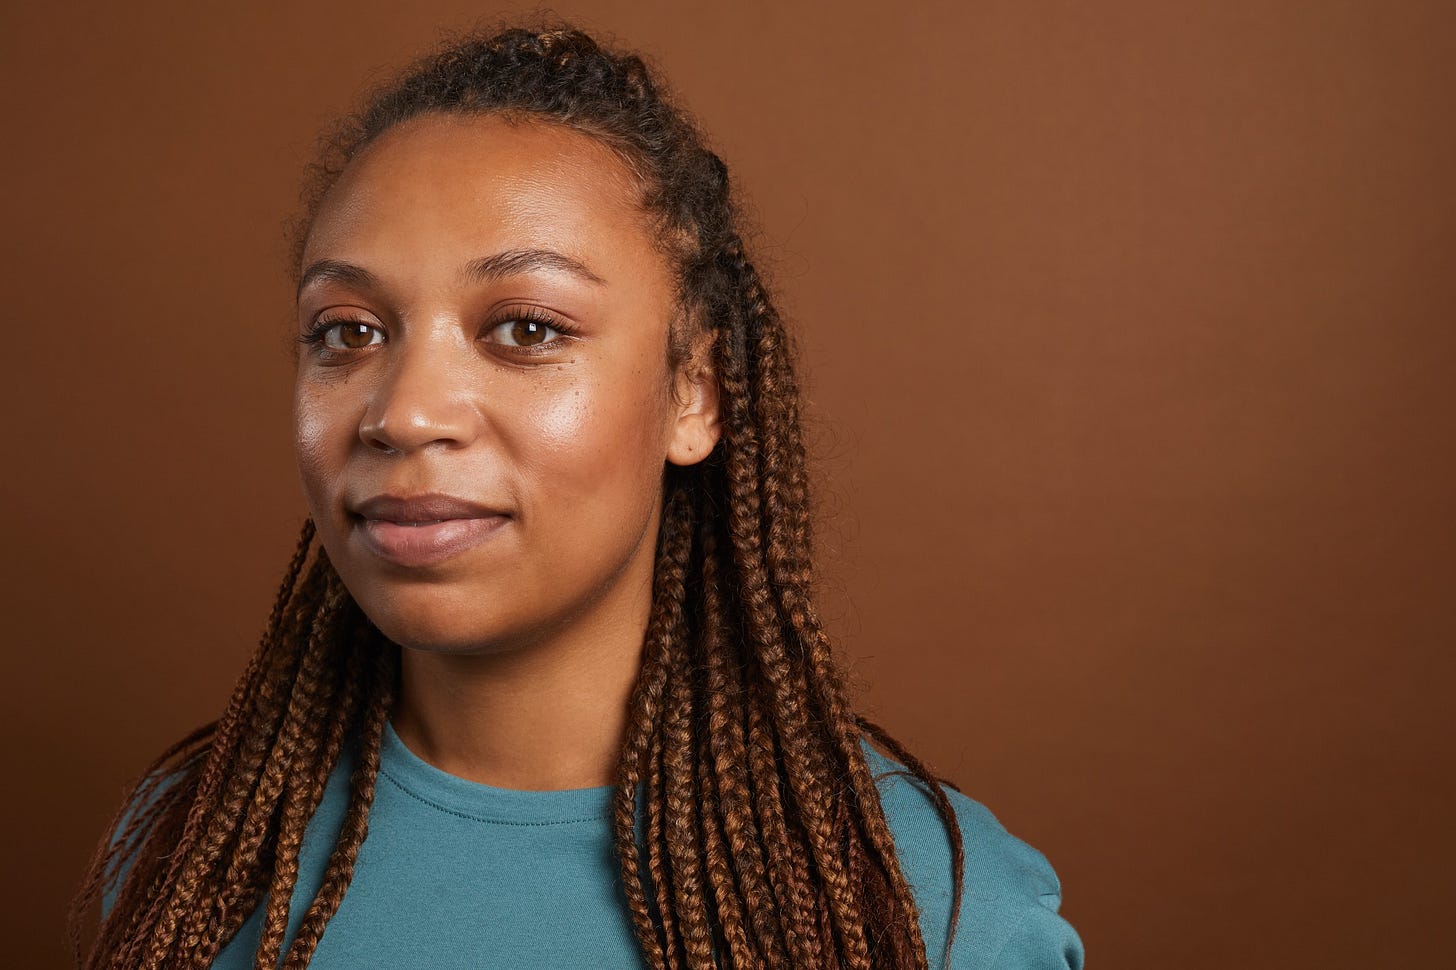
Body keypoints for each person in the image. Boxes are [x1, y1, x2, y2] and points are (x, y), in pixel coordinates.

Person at [71, 23, 1084, 970]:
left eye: (527, 329)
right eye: (348, 331)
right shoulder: (192, 851)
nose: (406, 413)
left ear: (694, 392)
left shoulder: (931, 912)